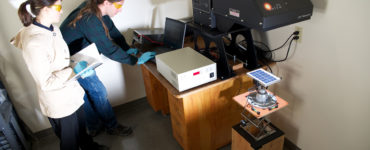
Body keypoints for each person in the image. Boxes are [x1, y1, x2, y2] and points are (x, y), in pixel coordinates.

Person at [10, 0, 108, 149]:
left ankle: (89, 146)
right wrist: (74, 70)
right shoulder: (34, 43)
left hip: (72, 92)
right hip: (59, 102)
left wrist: (76, 65)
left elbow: (61, 60)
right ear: (44, 9)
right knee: (70, 143)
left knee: (82, 131)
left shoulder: (52, 29)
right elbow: (46, 82)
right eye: (58, 7)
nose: (61, 11)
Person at [60, 0, 155, 137]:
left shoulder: (96, 8)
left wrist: (128, 49)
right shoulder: (89, 19)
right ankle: (111, 127)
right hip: (71, 60)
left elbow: (113, 32)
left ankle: (94, 127)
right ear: (106, 3)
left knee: (87, 93)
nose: (120, 10)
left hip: (79, 54)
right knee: (98, 92)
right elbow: (108, 49)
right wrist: (135, 60)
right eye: (118, 6)